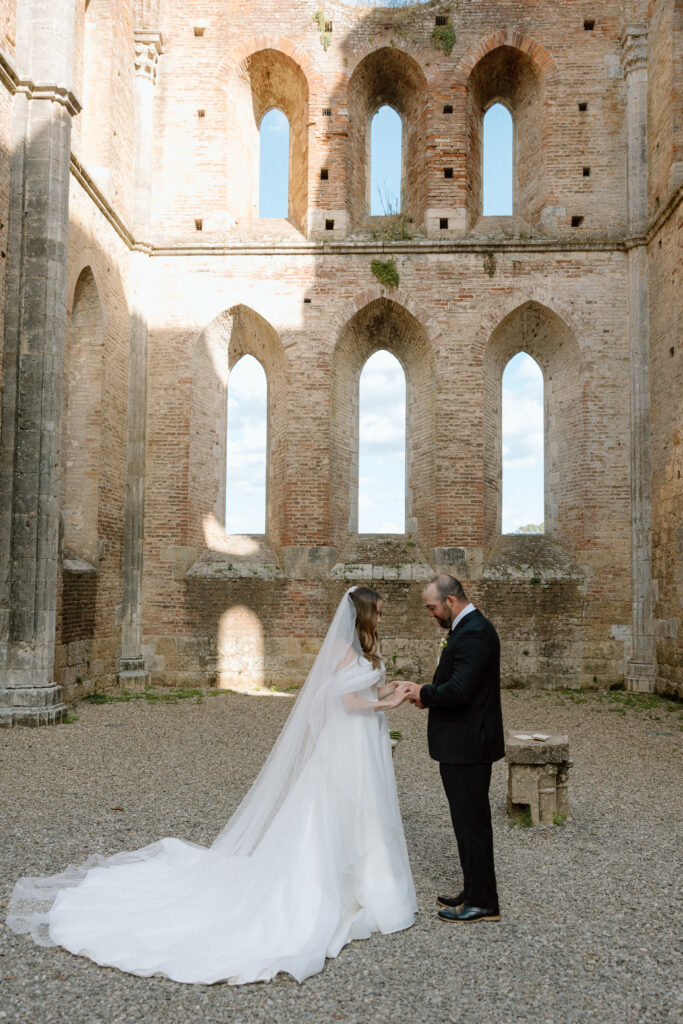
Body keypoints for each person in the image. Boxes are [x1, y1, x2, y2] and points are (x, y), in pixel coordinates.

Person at [7, 586, 417, 985]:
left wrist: (388, 689)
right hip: (347, 743)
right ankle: (328, 885)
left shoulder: (363, 651)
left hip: (364, 741)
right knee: (334, 809)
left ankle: (365, 880)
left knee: (363, 809)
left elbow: (361, 691)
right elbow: (342, 702)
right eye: (377, 611)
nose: (381, 617)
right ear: (362, 614)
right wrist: (387, 703)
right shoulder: (344, 651)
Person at [403, 574, 504, 923]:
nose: (431, 614)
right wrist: (428, 696)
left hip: (469, 746)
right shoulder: (465, 629)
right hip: (462, 745)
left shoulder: (475, 632)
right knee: (464, 822)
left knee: (472, 823)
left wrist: (424, 693)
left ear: (450, 601)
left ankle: (484, 902)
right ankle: (472, 889)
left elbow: (460, 690)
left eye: (432, 608)